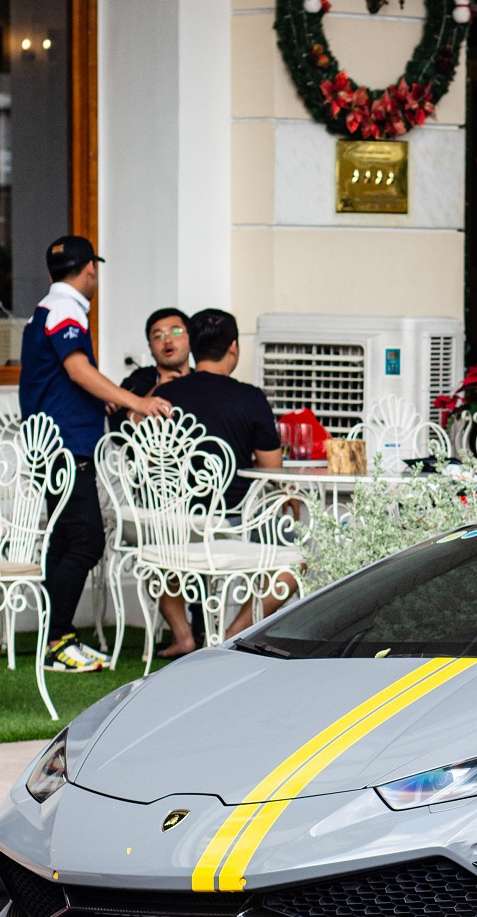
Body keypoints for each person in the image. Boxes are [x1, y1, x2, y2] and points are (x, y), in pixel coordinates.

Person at [18, 234, 172, 673]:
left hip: (53, 443)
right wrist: (134, 401)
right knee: (87, 540)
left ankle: (58, 637)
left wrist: (99, 398)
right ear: (89, 269)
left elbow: (66, 378)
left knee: (65, 542)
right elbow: (76, 368)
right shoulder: (65, 308)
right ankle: (57, 642)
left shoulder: (46, 309)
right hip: (66, 447)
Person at [150, 308, 286, 657]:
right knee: (290, 568)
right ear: (234, 348)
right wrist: (291, 505)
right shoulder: (250, 398)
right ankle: (228, 637)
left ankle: (183, 635)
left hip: (179, 521)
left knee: (159, 557)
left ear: (192, 347)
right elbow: (273, 471)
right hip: (237, 519)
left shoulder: (166, 396)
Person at [109, 307, 189, 431]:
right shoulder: (137, 381)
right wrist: (158, 388)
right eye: (158, 336)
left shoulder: (201, 379)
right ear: (150, 346)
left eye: (176, 332)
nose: (167, 340)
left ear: (191, 338)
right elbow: (118, 431)